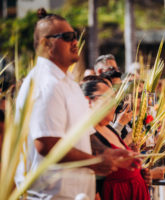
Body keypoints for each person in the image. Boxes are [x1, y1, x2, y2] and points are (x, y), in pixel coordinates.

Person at [14, 8, 139, 200]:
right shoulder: (46, 83)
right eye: (67, 36)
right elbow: (46, 145)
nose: (75, 42)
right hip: (50, 196)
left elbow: (86, 136)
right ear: (45, 44)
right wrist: (97, 161)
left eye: (75, 35)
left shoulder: (67, 83)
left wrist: (112, 153)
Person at [81, 79, 150, 200]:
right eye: (108, 98)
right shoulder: (88, 134)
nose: (114, 104)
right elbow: (92, 181)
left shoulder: (108, 127)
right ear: (88, 101)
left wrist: (140, 172)